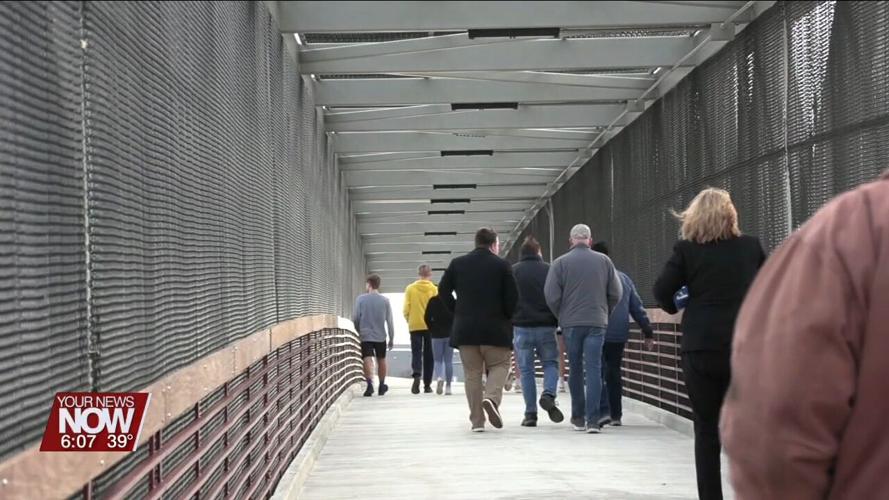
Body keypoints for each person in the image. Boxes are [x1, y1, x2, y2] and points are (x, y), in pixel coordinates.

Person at [721, 171, 889, 499]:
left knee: (706, 429)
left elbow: (776, 429)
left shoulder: (853, 232)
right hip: (730, 330)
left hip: (707, 343)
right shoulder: (751, 247)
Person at [653, 188, 765, 500]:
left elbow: (662, 291)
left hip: (700, 347)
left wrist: (679, 306)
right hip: (743, 347)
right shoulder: (750, 247)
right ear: (731, 214)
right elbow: (769, 288)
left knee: (705, 429)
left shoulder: (687, 250)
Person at [438, 227, 518, 432]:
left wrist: (457, 311)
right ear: (493, 244)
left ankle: (477, 422)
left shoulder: (458, 264)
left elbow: (443, 290)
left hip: (466, 330)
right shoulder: (502, 266)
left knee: (472, 374)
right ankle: (491, 398)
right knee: (500, 365)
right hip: (496, 328)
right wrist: (507, 316)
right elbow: (512, 298)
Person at [545, 224, 622, 434]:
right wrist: (605, 312)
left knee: (575, 369)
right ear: (590, 240)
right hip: (597, 322)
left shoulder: (559, 263)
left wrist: (561, 315)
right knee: (594, 369)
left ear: (571, 241)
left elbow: (551, 295)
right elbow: (616, 292)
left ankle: (578, 417)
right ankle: (594, 420)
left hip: (570, 323)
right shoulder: (604, 261)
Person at [591, 241, 655, 426]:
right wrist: (647, 330)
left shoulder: (591, 281)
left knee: (598, 370)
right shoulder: (623, 279)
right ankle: (616, 415)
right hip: (618, 332)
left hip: (596, 329)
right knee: (613, 371)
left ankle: (603, 411)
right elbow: (636, 306)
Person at [512, 236, 563, 427]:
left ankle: (530, 414)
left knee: (526, 371)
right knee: (550, 363)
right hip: (546, 326)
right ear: (538, 252)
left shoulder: (513, 271)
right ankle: (549, 393)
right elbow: (557, 296)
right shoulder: (549, 270)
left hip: (522, 327)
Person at [352, 274, 395, 397]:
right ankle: (382, 385)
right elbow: (390, 321)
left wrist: (358, 332)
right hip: (380, 335)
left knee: (367, 358)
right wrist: (391, 338)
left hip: (365, 335)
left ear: (369, 284)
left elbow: (356, 318)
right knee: (381, 359)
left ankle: (370, 384)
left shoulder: (360, 299)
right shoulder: (385, 301)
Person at [403, 264, 438, 394]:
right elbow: (437, 308)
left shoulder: (410, 289)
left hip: (415, 325)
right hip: (431, 326)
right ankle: (427, 385)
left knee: (416, 352)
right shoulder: (434, 290)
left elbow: (406, 308)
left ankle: (417, 375)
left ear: (418, 274)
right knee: (429, 355)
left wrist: (409, 319)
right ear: (430, 275)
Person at [424, 292, 454, 395]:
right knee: (449, 361)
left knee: (437, 360)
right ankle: (449, 387)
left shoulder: (433, 301)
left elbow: (426, 317)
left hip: (436, 335)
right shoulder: (451, 300)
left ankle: (440, 377)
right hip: (449, 334)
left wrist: (431, 329)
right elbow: (456, 316)